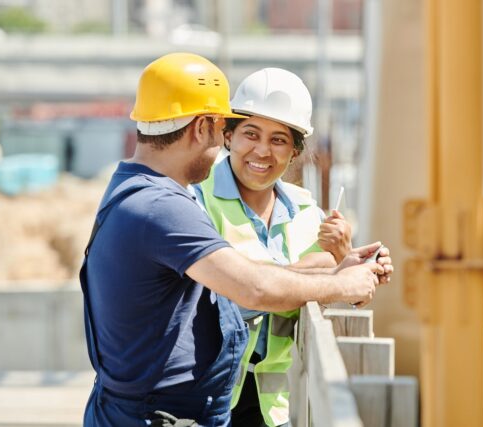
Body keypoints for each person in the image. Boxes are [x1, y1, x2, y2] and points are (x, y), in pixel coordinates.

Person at [80, 52, 388, 427]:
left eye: (278, 139)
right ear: (204, 128)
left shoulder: (140, 191)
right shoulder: (165, 206)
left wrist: (339, 268)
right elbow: (252, 287)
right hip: (155, 415)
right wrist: (338, 282)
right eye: (234, 130)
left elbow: (252, 279)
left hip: (162, 411)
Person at [192, 68, 392, 427]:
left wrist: (349, 264)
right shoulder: (198, 200)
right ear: (229, 136)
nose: (262, 151)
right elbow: (233, 291)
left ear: (295, 150)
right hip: (206, 396)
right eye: (250, 134)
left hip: (274, 406)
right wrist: (326, 273)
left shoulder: (306, 210)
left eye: (279, 139)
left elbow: (325, 292)